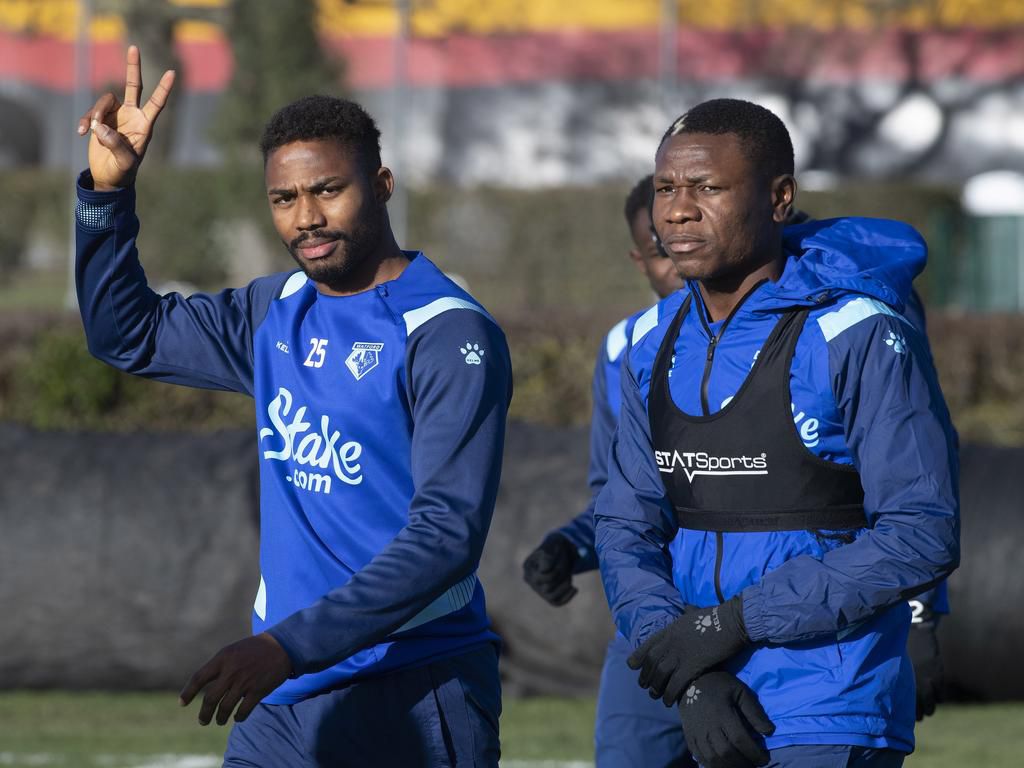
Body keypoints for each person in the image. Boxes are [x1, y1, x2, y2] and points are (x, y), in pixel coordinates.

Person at [74, 46, 511, 767]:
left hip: (410, 687)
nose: (306, 217)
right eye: (285, 199)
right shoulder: (275, 311)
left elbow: (446, 538)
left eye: (328, 191)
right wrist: (106, 192)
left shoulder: (446, 333)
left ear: (382, 183)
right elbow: (129, 336)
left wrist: (288, 645)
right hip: (281, 701)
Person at [594, 98, 959, 768]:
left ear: (779, 198)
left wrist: (730, 625)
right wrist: (692, 668)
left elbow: (920, 532)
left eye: (708, 188)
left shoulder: (857, 333)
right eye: (666, 189)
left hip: (828, 701)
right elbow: (624, 525)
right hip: (703, 695)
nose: (677, 210)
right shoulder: (648, 344)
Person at [522, 175, 690, 767]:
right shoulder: (625, 347)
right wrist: (572, 545)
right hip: (654, 618)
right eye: (659, 249)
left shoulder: (808, 327)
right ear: (639, 258)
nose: (676, 259)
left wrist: (924, 620)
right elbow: (619, 496)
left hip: (764, 619)